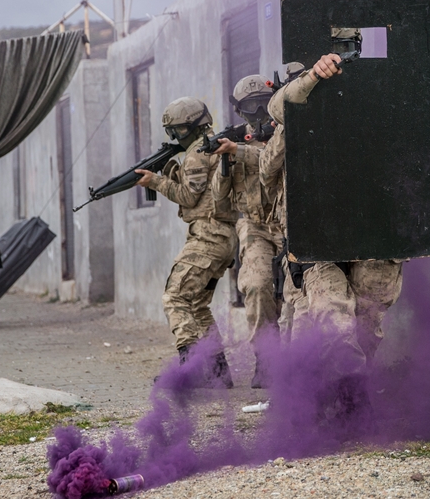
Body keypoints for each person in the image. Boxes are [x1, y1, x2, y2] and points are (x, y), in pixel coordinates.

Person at [259, 31, 405, 381]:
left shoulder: (379, 93)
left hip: (369, 232)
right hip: (316, 234)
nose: (339, 55)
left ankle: (350, 394)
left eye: (346, 48)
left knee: (366, 326)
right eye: (333, 48)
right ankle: (333, 398)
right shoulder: (299, 99)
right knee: (328, 320)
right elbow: (275, 120)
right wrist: (313, 78)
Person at [135, 96, 235, 387]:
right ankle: (219, 373)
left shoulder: (196, 155)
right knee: (199, 304)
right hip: (223, 236)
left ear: (192, 127)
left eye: (178, 131)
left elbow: (189, 197)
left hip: (208, 235)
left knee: (175, 297)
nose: (175, 137)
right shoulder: (213, 147)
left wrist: (155, 181)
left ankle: (190, 369)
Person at [208, 74, 286, 388]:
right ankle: (266, 359)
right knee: (256, 285)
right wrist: (225, 160)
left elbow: (271, 161)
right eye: (250, 107)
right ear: (240, 111)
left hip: (289, 223)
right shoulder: (237, 139)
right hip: (255, 226)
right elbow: (217, 197)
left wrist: (239, 151)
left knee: (297, 297)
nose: (258, 113)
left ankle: (300, 361)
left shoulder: (283, 131)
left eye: (262, 104)